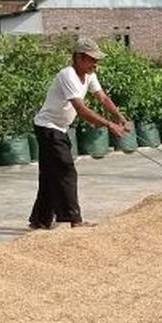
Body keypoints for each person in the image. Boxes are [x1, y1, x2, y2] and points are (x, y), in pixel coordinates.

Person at [28, 38, 129, 230]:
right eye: (92, 59)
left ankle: (40, 220)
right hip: (48, 127)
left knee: (50, 174)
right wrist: (109, 124)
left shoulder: (89, 74)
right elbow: (81, 110)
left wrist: (120, 118)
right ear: (79, 58)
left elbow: (102, 97)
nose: (95, 64)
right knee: (66, 170)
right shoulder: (67, 75)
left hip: (59, 128)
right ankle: (75, 219)